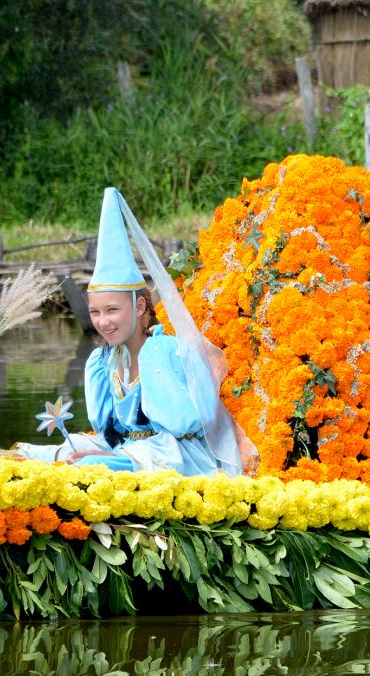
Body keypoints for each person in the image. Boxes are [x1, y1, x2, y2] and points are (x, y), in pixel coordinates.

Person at [16, 187, 248, 475]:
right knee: (50, 453)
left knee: (89, 465)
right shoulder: (103, 362)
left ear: (140, 307)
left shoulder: (166, 352)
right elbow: (112, 434)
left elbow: (183, 427)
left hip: (174, 455)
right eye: (95, 312)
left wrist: (116, 455)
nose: (102, 322)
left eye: (112, 310)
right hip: (128, 451)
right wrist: (103, 449)